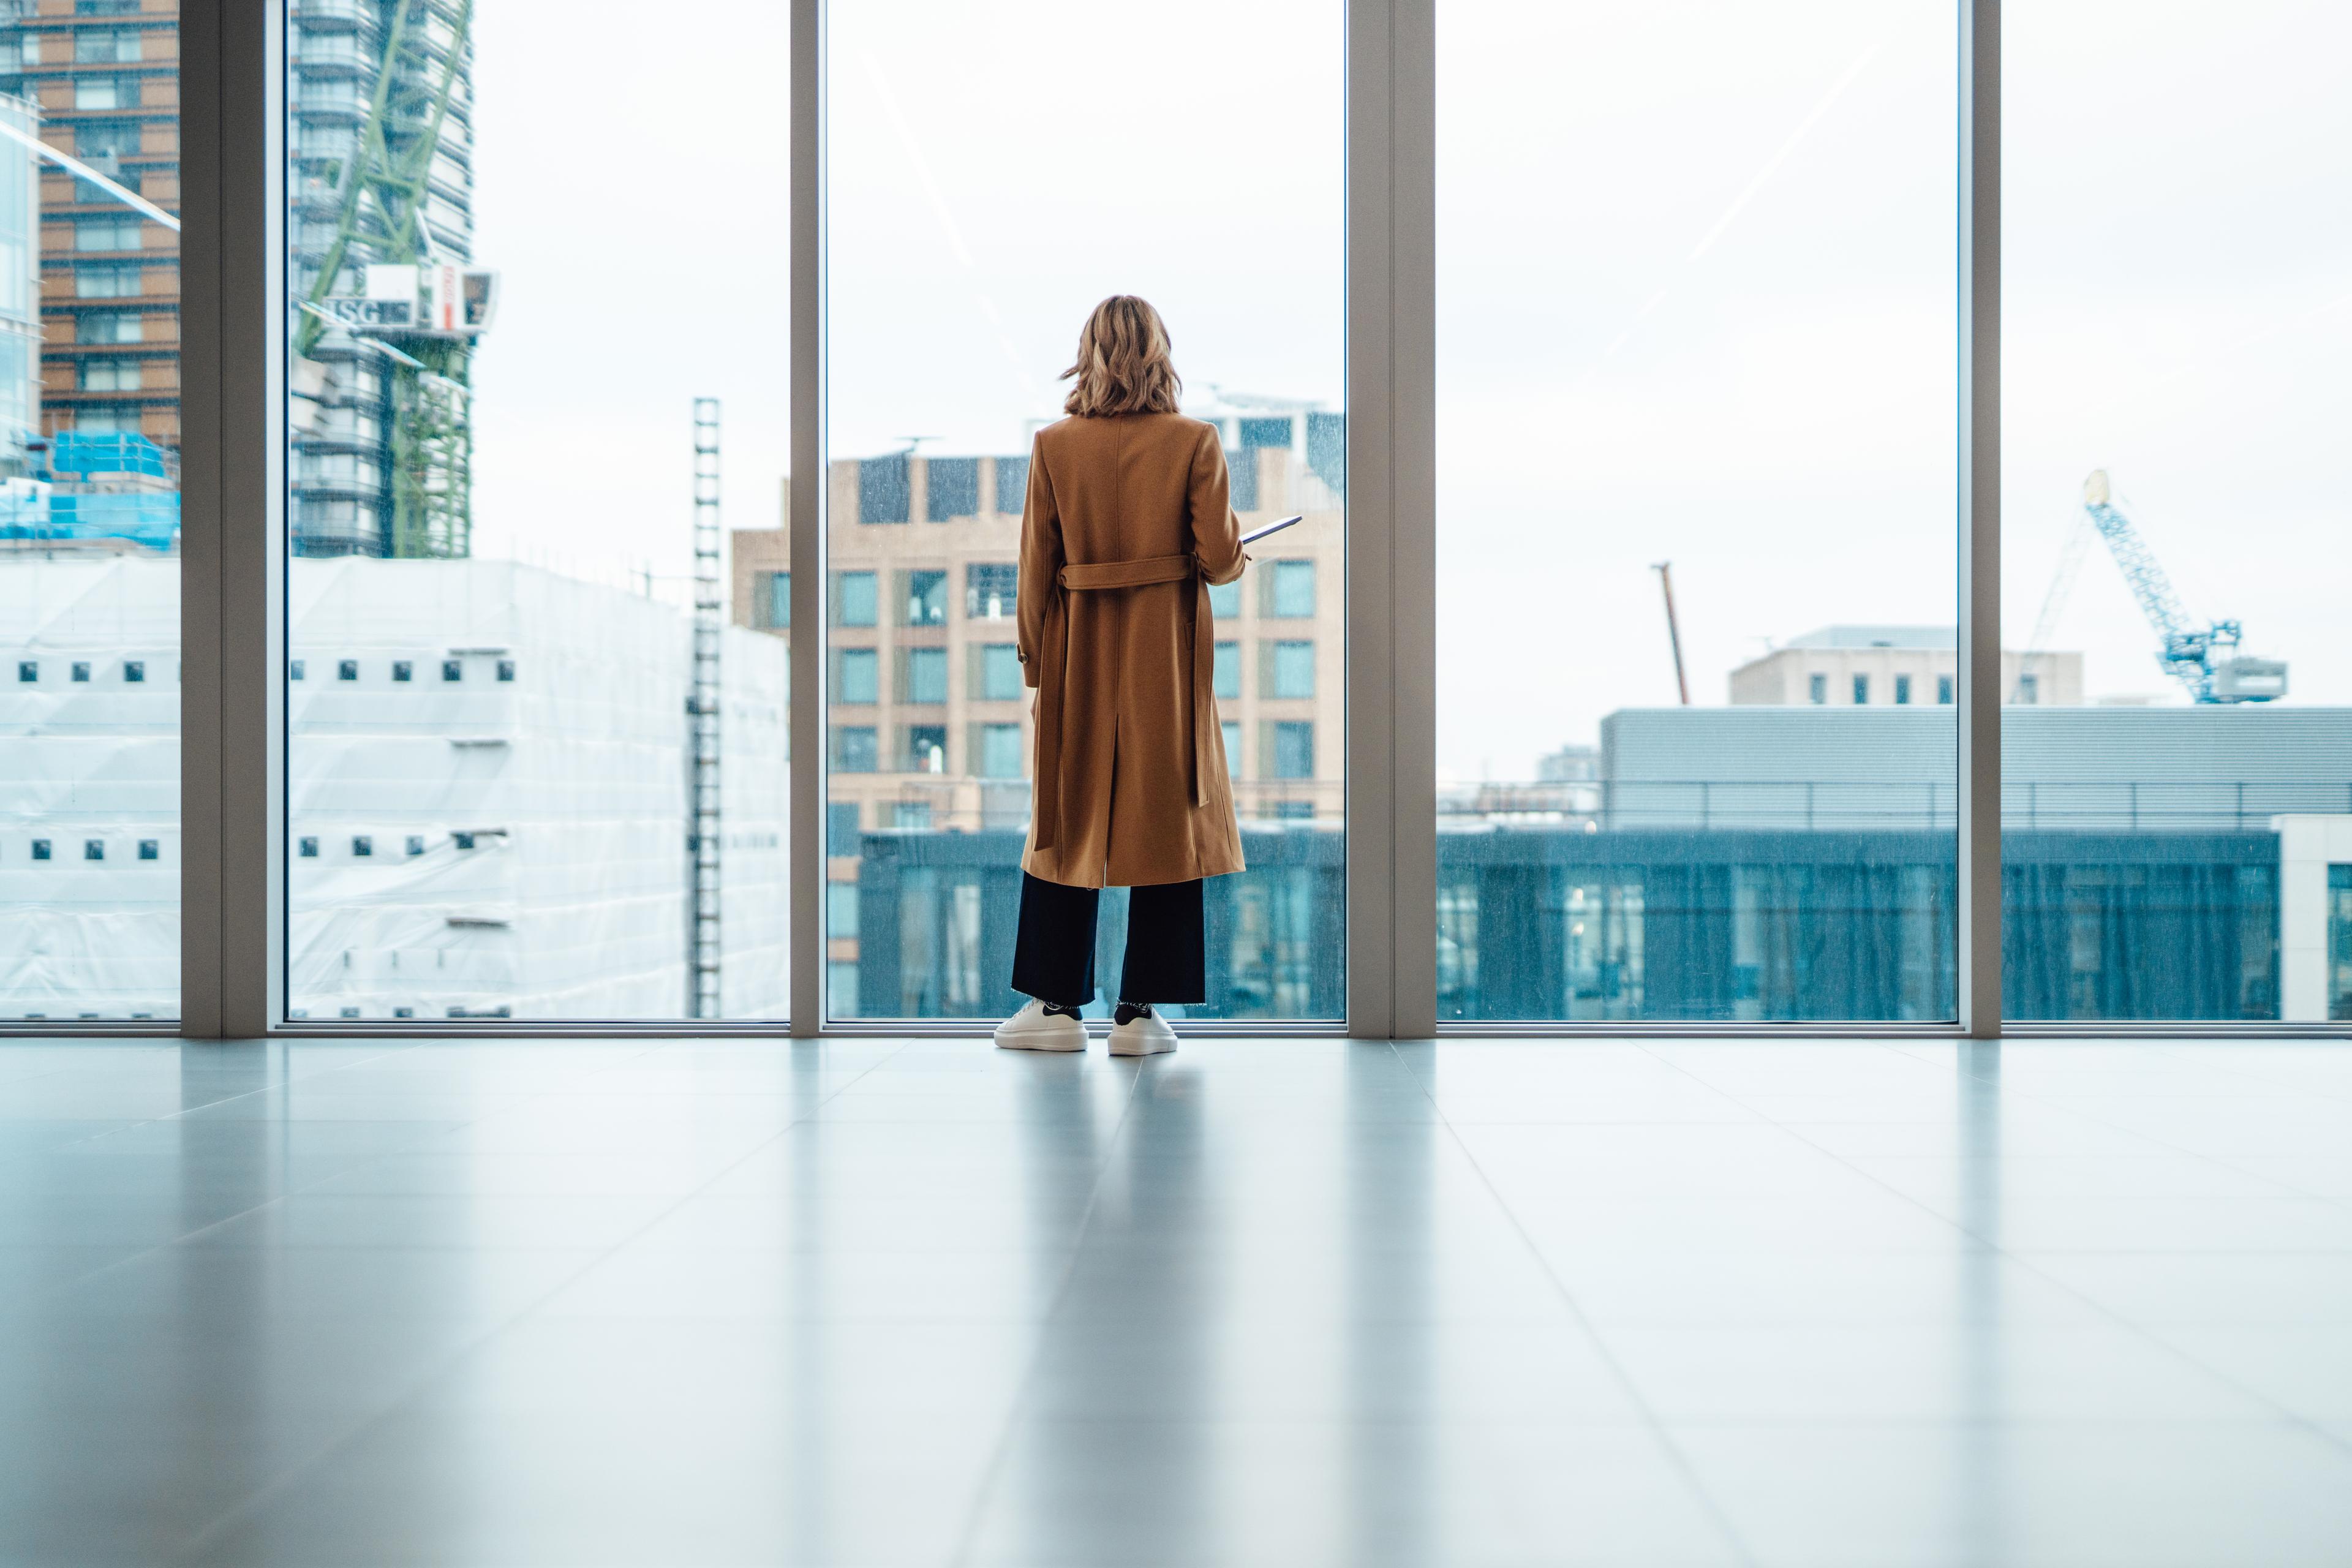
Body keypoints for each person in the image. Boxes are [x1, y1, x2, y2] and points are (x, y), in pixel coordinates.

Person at [993, 296, 1248, 1057]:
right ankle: (1138, 1013)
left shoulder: (1054, 446)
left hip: (1077, 655)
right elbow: (1224, 561)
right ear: (1160, 354)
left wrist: (1037, 667)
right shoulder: (1195, 441)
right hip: (1162, 660)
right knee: (1167, 814)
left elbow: (1035, 569)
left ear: (1089, 353)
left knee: (1066, 819)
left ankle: (1055, 1006)